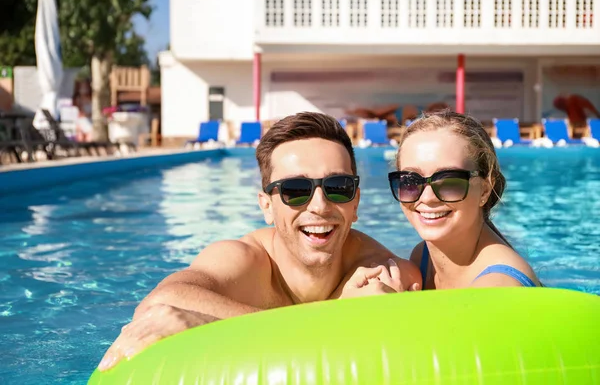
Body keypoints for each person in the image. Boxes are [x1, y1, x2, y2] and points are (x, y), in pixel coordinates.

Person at [98, 112, 422, 371]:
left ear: (356, 203)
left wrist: (217, 322)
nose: (320, 206)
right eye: (296, 190)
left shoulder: (380, 270)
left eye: (338, 187)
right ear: (266, 206)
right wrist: (336, 315)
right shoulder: (244, 259)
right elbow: (159, 302)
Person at [386, 110, 540, 290]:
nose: (427, 198)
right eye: (410, 181)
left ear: (485, 189)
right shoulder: (423, 257)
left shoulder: (499, 286)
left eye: (450, 182)